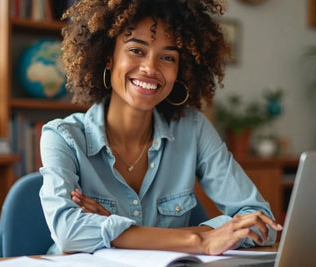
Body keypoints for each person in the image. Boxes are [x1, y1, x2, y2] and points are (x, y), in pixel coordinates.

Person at [39, 0, 282, 256]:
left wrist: (118, 230)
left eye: (167, 57)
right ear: (108, 57)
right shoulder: (63, 137)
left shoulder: (193, 130)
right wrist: (199, 241)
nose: (151, 69)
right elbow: (68, 233)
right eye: (136, 50)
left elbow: (261, 222)